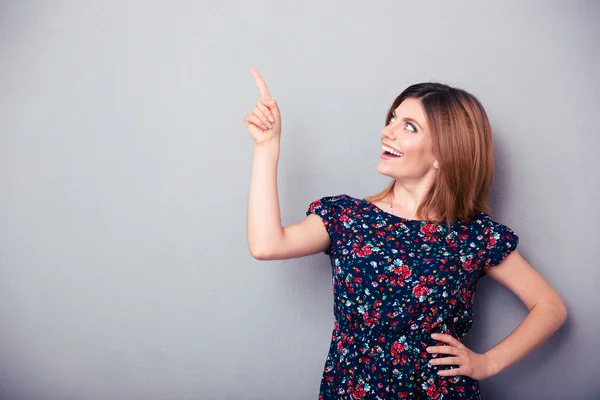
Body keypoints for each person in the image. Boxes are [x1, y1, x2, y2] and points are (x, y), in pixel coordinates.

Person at [245, 68, 567, 400]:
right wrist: (267, 146)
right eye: (393, 119)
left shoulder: (473, 237)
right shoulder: (348, 217)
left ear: (443, 152)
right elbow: (266, 244)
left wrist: (487, 363)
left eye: (408, 127)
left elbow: (549, 306)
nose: (388, 132)